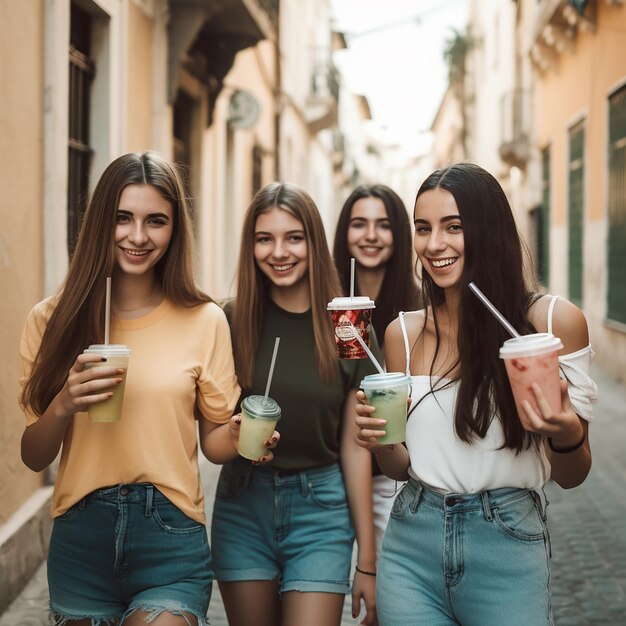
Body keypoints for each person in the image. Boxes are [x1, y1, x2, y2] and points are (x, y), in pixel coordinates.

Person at [354, 163, 598, 625]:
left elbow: (572, 475)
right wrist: (382, 440)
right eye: (423, 229)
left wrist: (566, 432)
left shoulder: (552, 324)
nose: (434, 245)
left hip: (507, 545)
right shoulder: (401, 334)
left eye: (454, 227)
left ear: (488, 231)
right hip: (412, 543)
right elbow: (400, 468)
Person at [18, 151, 247, 626]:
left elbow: (216, 443)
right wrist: (65, 403)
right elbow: (34, 455)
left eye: (155, 221)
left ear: (175, 229)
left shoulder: (204, 321)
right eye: (123, 218)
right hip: (80, 537)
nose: (138, 236)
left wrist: (246, 434)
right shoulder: (50, 320)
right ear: (102, 220)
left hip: (170, 534)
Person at [211, 182, 379, 626]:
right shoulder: (228, 321)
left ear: (313, 243)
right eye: (265, 238)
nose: (279, 252)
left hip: (320, 510)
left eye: (294, 237)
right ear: (250, 246)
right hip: (243, 503)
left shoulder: (347, 325)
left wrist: (369, 557)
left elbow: (356, 445)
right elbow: (211, 432)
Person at [333, 184, 420, 554]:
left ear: (398, 234)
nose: (370, 235)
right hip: (326, 482)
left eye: (383, 225)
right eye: (359, 224)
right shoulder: (327, 305)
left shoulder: (419, 309)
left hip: (394, 480)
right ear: (344, 233)